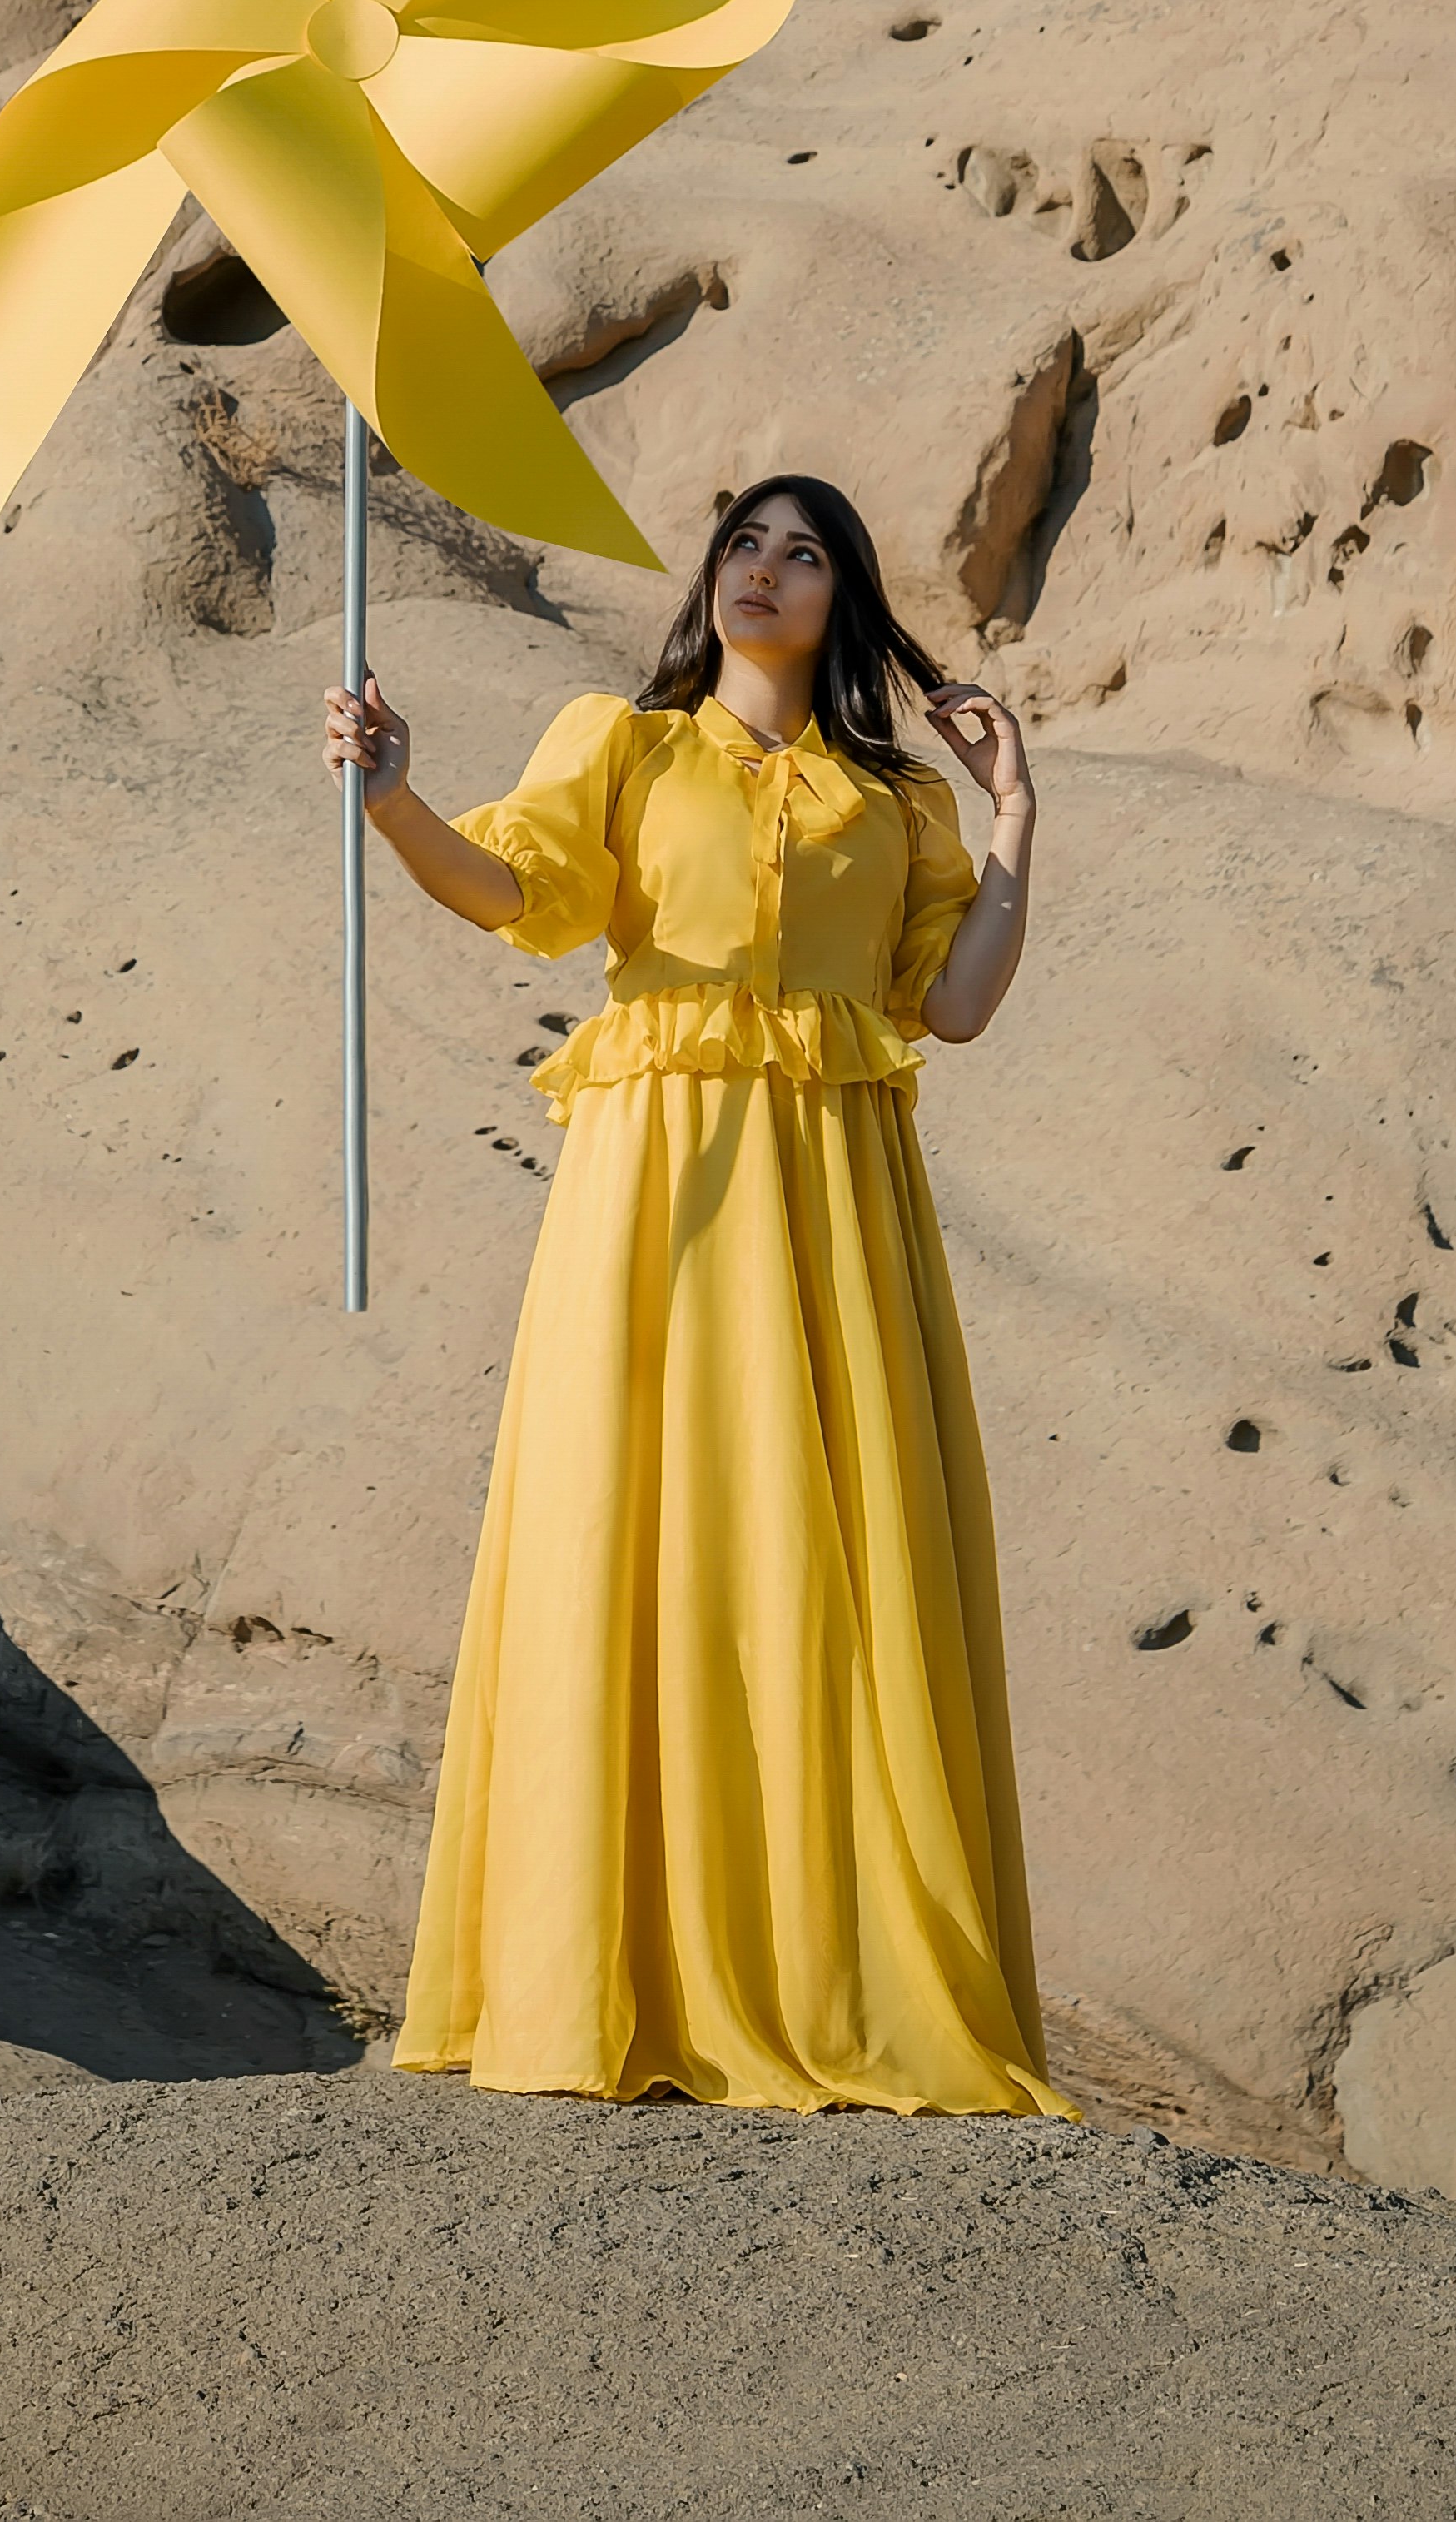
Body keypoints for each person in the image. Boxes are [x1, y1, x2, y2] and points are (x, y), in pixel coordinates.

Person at [322, 471, 1076, 2119]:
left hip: (837, 1213)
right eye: (746, 543)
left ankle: (837, 1976)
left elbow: (953, 1005)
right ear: (712, 577)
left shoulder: (893, 806)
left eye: (807, 556)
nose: (766, 571)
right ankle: (610, 1975)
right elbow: (520, 894)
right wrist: (394, 796)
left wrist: (1012, 812)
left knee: (831, 1555)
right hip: (654, 1195)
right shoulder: (626, 743)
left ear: (844, 601)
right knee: (629, 1536)